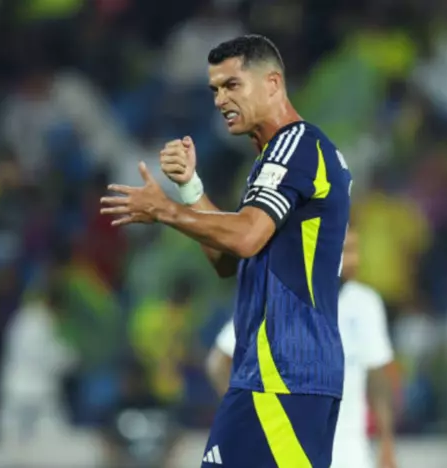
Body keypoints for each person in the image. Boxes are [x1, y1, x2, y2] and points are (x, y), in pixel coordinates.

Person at [101, 34, 351, 467]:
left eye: (232, 85)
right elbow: (228, 260)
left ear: (272, 83)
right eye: (215, 89)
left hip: (285, 374)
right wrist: (189, 188)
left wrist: (164, 210)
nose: (220, 100)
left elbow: (245, 236)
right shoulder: (274, 159)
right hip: (269, 375)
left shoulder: (296, 147)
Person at [207, 230, 398, 468]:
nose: (354, 260)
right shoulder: (279, 297)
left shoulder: (365, 303)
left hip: (349, 449)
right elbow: (219, 362)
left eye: (355, 251)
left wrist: (386, 443)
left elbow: (377, 377)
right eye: (346, 251)